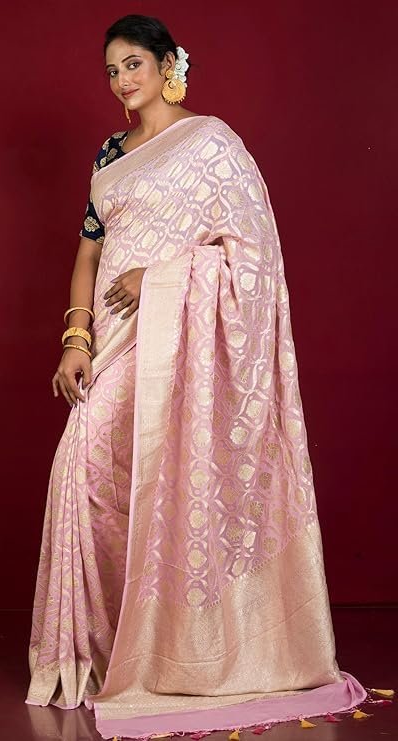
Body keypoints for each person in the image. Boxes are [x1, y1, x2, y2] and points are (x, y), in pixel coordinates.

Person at [25, 13, 366, 738]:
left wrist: (161, 276)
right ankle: (100, 651)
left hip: (172, 337)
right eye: (111, 70)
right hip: (113, 339)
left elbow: (253, 256)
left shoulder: (211, 143)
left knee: (163, 481)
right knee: (86, 473)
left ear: (165, 64)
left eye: (132, 64)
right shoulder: (110, 153)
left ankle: (175, 650)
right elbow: (89, 252)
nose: (122, 80)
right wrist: (75, 337)